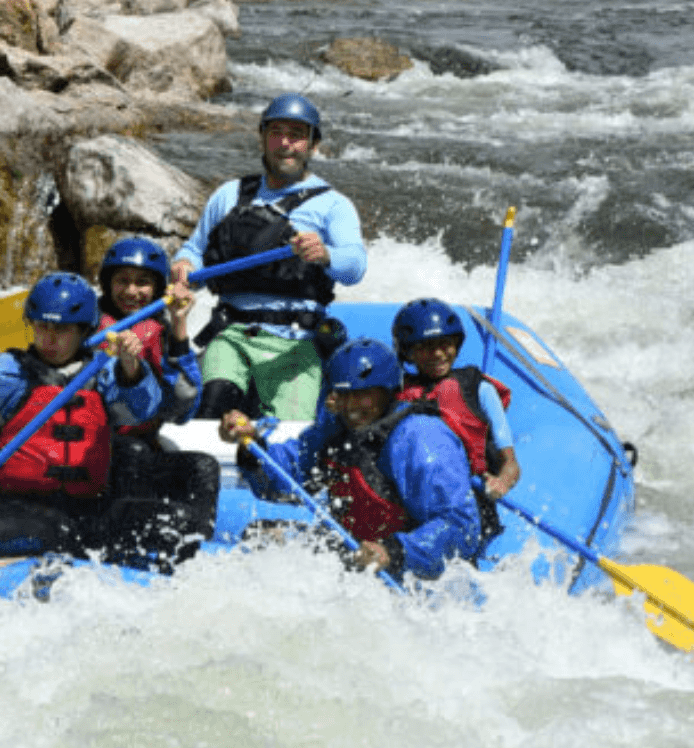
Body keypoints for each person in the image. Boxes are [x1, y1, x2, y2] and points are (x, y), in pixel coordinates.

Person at [0, 271, 183, 565]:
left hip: (83, 506)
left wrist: (131, 368)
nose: (49, 338)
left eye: (61, 330)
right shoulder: (8, 371)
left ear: (83, 331)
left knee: (162, 526)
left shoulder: (102, 369)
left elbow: (143, 410)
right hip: (9, 508)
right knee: (57, 531)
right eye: (42, 327)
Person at [169, 93, 368, 423]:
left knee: (290, 434)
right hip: (231, 335)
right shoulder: (229, 194)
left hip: (295, 344)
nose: (285, 144)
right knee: (209, 413)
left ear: (313, 145)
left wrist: (326, 254)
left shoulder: (334, 205)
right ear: (262, 138)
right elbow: (195, 249)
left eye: (297, 135)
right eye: (277, 132)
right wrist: (185, 265)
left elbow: (355, 267)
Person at [218, 338, 484, 582]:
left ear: (387, 391)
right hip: (357, 547)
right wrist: (251, 444)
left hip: (404, 564)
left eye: (362, 394)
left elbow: (462, 525)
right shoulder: (335, 429)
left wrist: (394, 552)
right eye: (344, 395)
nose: (351, 405)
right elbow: (283, 480)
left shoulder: (419, 437)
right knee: (260, 535)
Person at [92, 237, 221, 561]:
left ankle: (194, 551)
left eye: (143, 283)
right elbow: (120, 410)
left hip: (143, 451)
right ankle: (124, 546)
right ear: (107, 284)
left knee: (203, 467)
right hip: (96, 456)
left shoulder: (159, 332)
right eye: (122, 281)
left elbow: (182, 411)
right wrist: (127, 367)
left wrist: (179, 326)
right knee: (132, 452)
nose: (132, 292)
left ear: (157, 288)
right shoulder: (86, 326)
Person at [391, 298, 522, 509]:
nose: (438, 354)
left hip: (467, 500)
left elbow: (511, 464)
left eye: (445, 344)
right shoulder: (395, 392)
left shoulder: (480, 390)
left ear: (456, 344)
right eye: (426, 346)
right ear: (408, 352)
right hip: (412, 500)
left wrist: (501, 483)